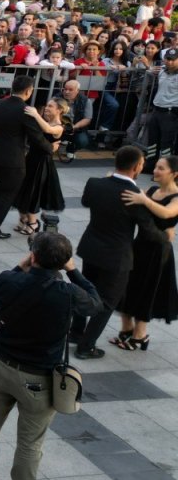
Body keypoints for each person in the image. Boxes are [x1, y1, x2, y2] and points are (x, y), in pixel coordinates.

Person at [0, 232, 102, 480]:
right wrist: (74, 271)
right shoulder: (67, 294)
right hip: (38, 379)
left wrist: (19, 267)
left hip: (1, 365)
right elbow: (95, 303)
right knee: (30, 443)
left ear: (33, 256)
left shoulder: (10, 280)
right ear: (63, 262)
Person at [71, 146, 169, 359]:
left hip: (91, 248)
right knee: (107, 301)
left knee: (86, 291)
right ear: (137, 167)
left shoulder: (95, 183)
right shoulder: (134, 196)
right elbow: (148, 230)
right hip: (116, 257)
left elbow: (86, 201)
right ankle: (86, 346)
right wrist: (166, 239)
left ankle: (76, 332)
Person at [0, 75, 49, 240]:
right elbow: (36, 136)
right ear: (28, 91)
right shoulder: (25, 110)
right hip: (13, 158)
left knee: (0, 186)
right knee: (9, 192)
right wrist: (50, 148)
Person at [115, 154, 178, 351]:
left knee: (146, 291)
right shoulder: (151, 190)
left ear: (174, 174)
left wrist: (144, 200)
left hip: (158, 252)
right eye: (156, 166)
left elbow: (167, 213)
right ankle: (127, 330)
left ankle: (140, 335)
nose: (155, 170)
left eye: (161, 168)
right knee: (127, 286)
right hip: (139, 245)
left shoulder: (176, 197)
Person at [12, 99, 68, 237]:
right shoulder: (44, 121)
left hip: (41, 163)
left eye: (50, 106)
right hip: (30, 159)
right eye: (47, 105)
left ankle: (33, 222)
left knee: (33, 192)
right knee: (21, 188)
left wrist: (36, 115)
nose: (47, 108)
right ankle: (24, 218)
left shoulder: (59, 127)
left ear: (59, 110)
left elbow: (48, 130)